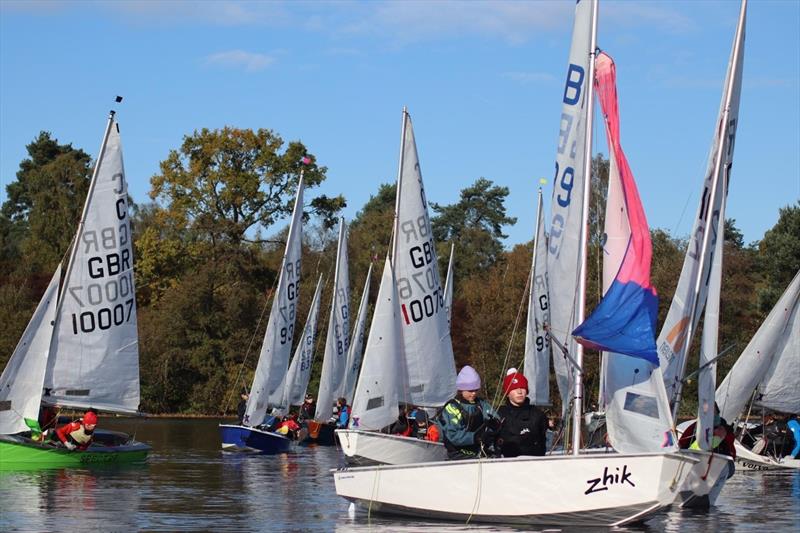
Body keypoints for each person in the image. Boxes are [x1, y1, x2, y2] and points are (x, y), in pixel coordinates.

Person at [439, 365, 500, 459]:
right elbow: (453, 435)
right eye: (470, 390)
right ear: (461, 389)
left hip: (480, 451)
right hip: (459, 454)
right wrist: (475, 437)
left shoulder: (481, 404)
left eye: (476, 390)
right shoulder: (452, 407)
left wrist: (495, 424)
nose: (474, 393)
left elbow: (493, 416)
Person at [497, 369, 547, 457]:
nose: (519, 392)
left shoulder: (538, 414)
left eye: (522, 388)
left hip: (535, 464)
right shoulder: (500, 414)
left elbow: (543, 442)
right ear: (507, 393)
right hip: (507, 465)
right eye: (515, 388)